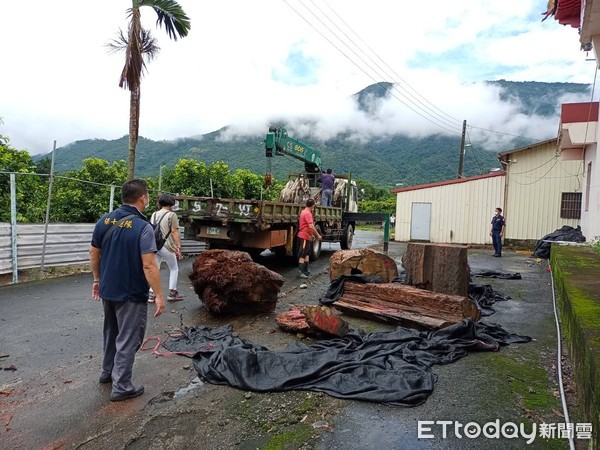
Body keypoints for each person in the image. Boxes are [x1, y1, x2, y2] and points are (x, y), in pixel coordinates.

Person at [89, 179, 165, 402]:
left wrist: (96, 280)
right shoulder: (143, 227)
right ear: (143, 198)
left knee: (111, 332)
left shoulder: (104, 220)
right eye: (147, 196)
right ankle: (122, 385)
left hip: (108, 288)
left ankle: (107, 372)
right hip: (131, 292)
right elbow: (149, 265)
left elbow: (94, 253)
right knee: (129, 338)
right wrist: (159, 295)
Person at [149, 194, 183, 302]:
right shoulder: (171, 215)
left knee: (155, 269)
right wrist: (178, 246)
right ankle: (172, 293)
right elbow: (174, 231)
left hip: (154, 246)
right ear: (171, 203)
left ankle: (151, 294)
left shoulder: (154, 214)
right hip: (166, 246)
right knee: (174, 268)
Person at [297, 198, 322, 278]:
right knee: (303, 253)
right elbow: (311, 226)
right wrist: (318, 235)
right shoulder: (308, 213)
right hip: (304, 236)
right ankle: (300, 272)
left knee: (307, 252)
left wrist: (311, 235)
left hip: (307, 236)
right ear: (313, 206)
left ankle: (306, 270)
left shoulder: (303, 211)